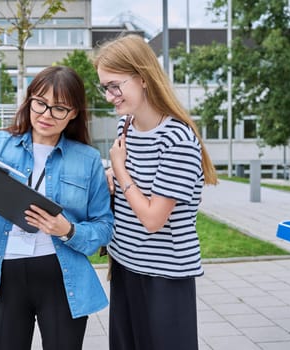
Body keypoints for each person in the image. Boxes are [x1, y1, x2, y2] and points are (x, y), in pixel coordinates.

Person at [0, 65, 114, 350]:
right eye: (40, 103)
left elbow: (104, 226)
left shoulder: (87, 159)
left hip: (62, 278)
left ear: (74, 112)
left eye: (59, 108)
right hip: (6, 275)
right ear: (29, 101)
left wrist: (68, 230)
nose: (46, 115)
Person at [94, 34, 218, 350]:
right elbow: (135, 185)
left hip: (164, 276)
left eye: (114, 85)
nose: (110, 96)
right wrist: (113, 174)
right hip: (126, 265)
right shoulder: (128, 127)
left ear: (143, 78)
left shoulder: (176, 140)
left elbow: (153, 219)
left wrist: (120, 171)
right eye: (105, 87)